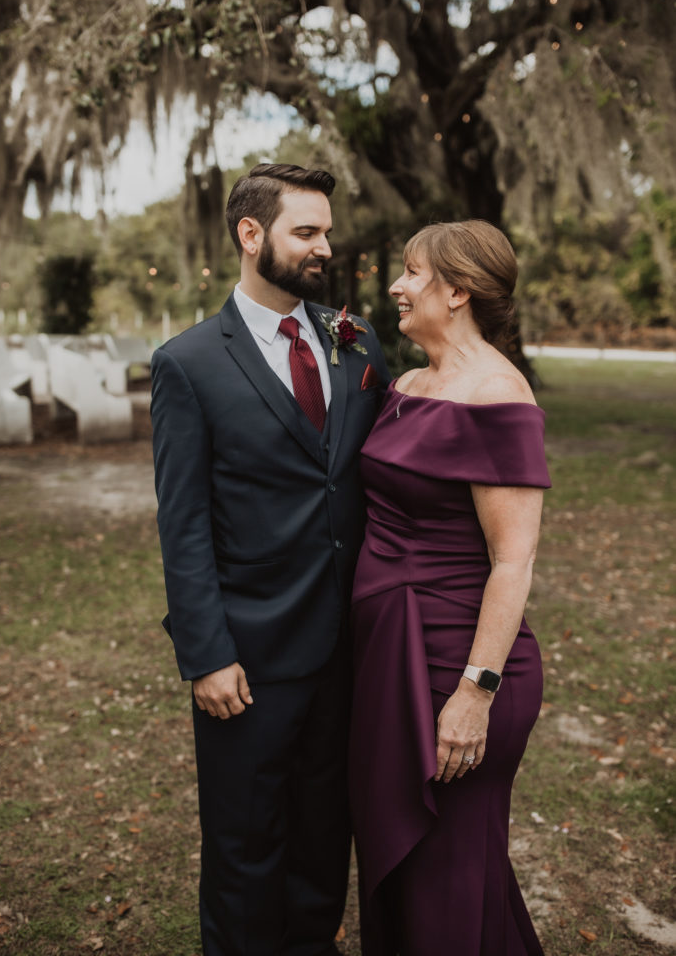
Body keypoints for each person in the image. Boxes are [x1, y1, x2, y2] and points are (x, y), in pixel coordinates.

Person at [150, 162, 390, 956]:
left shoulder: (355, 344)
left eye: (327, 230)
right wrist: (206, 654)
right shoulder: (189, 364)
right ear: (251, 236)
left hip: (347, 650)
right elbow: (182, 524)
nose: (325, 246)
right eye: (306, 232)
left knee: (325, 839)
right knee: (246, 848)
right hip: (247, 660)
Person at [348, 220, 551, 955]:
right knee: (401, 867)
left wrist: (475, 692)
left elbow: (512, 560)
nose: (396, 286)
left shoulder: (497, 394)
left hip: (455, 665)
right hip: (385, 656)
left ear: (457, 289)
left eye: (410, 272)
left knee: (448, 873)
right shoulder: (405, 382)